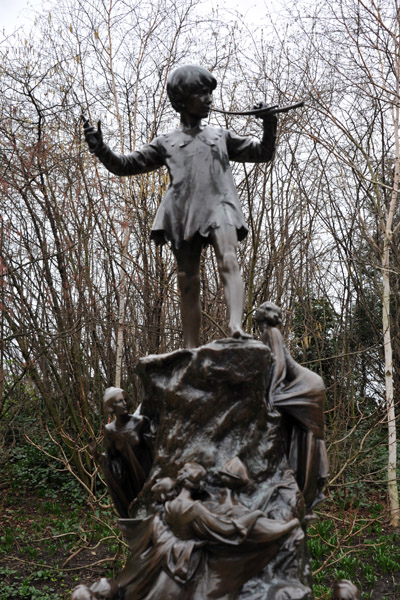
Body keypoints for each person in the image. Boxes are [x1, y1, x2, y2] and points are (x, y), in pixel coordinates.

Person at [83, 65, 277, 348]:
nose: (210, 99)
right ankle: (189, 347)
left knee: (229, 258)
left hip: (220, 206)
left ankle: (235, 326)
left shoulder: (220, 136)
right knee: (187, 278)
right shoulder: (167, 142)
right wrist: (101, 149)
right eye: (202, 93)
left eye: (210, 93)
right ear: (182, 100)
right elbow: (125, 166)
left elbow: (263, 152)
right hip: (183, 212)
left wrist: (269, 123)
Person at [254, 301, 329, 512]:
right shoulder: (269, 334)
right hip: (307, 385)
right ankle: (302, 488)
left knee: (307, 437)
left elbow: (278, 367)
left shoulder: (271, 333)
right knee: (298, 435)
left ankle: (306, 489)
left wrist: (269, 396)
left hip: (307, 387)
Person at [90, 387, 152, 517]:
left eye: (125, 400)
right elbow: (112, 459)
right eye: (119, 401)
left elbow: (153, 447)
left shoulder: (140, 422)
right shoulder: (109, 430)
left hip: (148, 475)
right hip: (130, 481)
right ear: (111, 406)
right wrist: (96, 454)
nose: (124, 404)